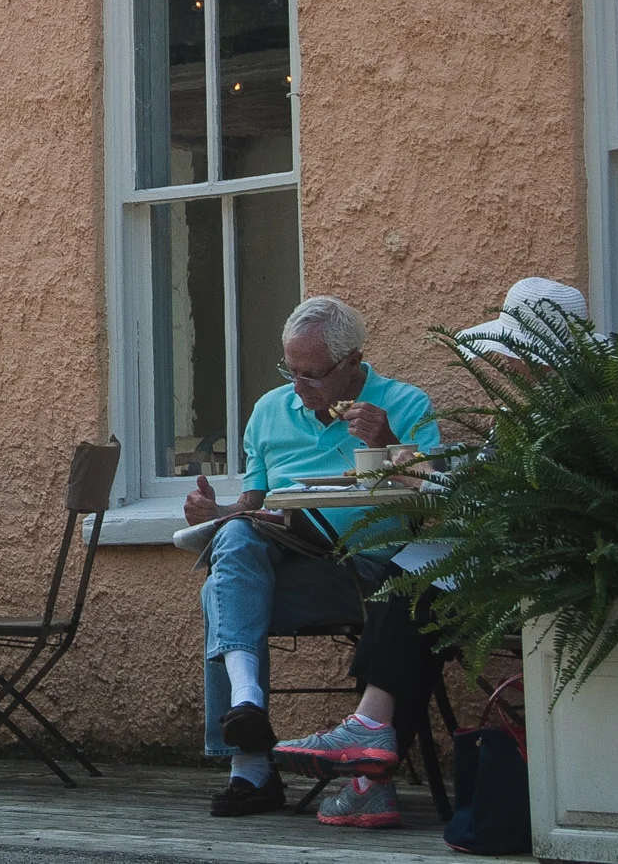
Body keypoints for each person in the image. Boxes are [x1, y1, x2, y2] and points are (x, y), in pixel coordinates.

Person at [271, 278, 594, 830]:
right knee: (417, 575)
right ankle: (370, 759)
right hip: (504, 560)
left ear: (533, 354)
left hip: (548, 569)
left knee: (416, 578)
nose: (499, 363)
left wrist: (420, 470)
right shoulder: (536, 408)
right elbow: (486, 483)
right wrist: (431, 469)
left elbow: (505, 500)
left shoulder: (568, 415)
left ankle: (369, 757)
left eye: (507, 354)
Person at [190, 296, 440, 817]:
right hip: (291, 559)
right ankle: (249, 707)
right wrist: (216, 511)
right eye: (291, 371)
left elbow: (432, 495)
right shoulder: (269, 411)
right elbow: (253, 503)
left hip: (368, 571)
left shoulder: (404, 404)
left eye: (312, 375)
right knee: (234, 538)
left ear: (351, 362)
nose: (298, 387)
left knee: (219, 592)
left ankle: (251, 768)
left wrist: (390, 441)